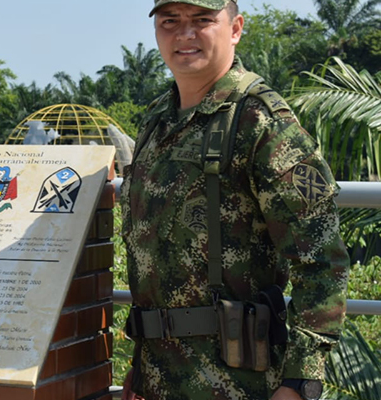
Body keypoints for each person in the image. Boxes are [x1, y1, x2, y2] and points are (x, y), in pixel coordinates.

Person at [119, 1, 350, 399]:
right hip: (159, 377)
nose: (184, 35)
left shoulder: (259, 121)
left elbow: (321, 259)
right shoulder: (157, 120)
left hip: (236, 382)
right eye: (170, 22)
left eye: (202, 21)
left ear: (235, 28)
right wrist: (140, 371)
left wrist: (300, 383)